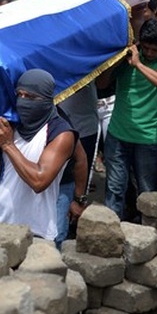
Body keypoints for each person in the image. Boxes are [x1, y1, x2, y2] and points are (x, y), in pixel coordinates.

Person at [0, 69, 87, 241]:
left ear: (48, 99)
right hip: (1, 222)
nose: (23, 102)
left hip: (37, 232)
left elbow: (39, 181)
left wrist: (7, 145)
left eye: (31, 97)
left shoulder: (60, 133)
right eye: (20, 95)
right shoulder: (10, 124)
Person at [97, 19, 157, 220]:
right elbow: (101, 84)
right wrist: (114, 61)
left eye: (155, 50)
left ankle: (148, 234)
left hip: (149, 138)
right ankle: (111, 233)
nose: (150, 53)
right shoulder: (127, 57)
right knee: (115, 189)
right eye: (146, 48)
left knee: (147, 192)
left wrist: (139, 65)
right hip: (118, 134)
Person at [55, 82, 99, 245]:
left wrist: (79, 198)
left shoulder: (64, 128)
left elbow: (80, 161)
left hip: (83, 126)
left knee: (58, 235)